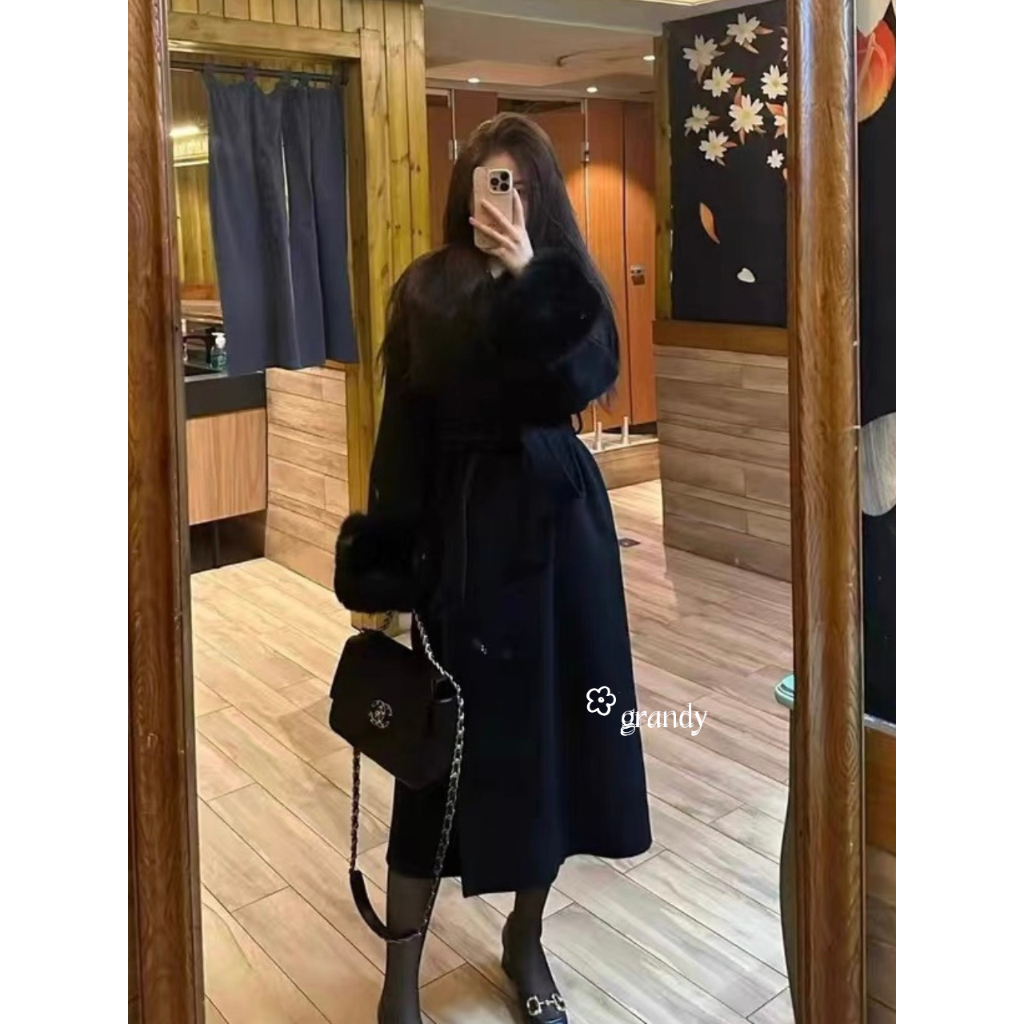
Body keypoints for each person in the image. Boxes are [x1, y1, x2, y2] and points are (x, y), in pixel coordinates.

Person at [333, 112, 652, 1024]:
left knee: (555, 750)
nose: (501, 200)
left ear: (540, 196)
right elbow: (402, 433)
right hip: (466, 543)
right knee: (433, 760)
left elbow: (588, 381)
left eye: (518, 184)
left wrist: (530, 279)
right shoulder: (426, 288)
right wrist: (387, 577)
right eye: (488, 182)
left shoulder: (565, 282)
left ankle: (527, 937)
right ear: (463, 190)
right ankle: (400, 987)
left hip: (560, 542)